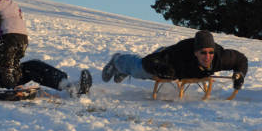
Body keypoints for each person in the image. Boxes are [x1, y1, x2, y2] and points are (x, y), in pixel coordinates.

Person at [101, 30, 248, 91]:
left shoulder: (220, 57)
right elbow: (149, 61)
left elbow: (241, 60)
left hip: (181, 69)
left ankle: (124, 70)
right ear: (195, 52)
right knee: (140, 69)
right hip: (162, 57)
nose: (208, 56)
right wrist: (161, 68)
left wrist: (240, 74)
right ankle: (117, 61)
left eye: (211, 52)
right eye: (203, 53)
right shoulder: (178, 54)